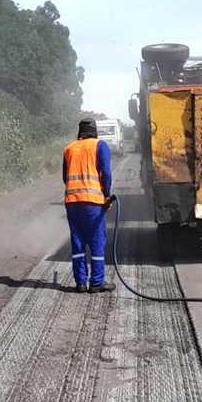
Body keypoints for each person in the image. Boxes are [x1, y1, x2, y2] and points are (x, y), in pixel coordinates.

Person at [63, 118, 115, 293]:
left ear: (80, 132)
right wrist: (106, 195)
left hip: (72, 202)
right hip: (92, 203)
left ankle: (80, 283)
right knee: (97, 241)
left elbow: (65, 177)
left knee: (77, 241)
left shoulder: (69, 149)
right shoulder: (100, 145)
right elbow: (106, 173)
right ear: (95, 131)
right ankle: (96, 282)